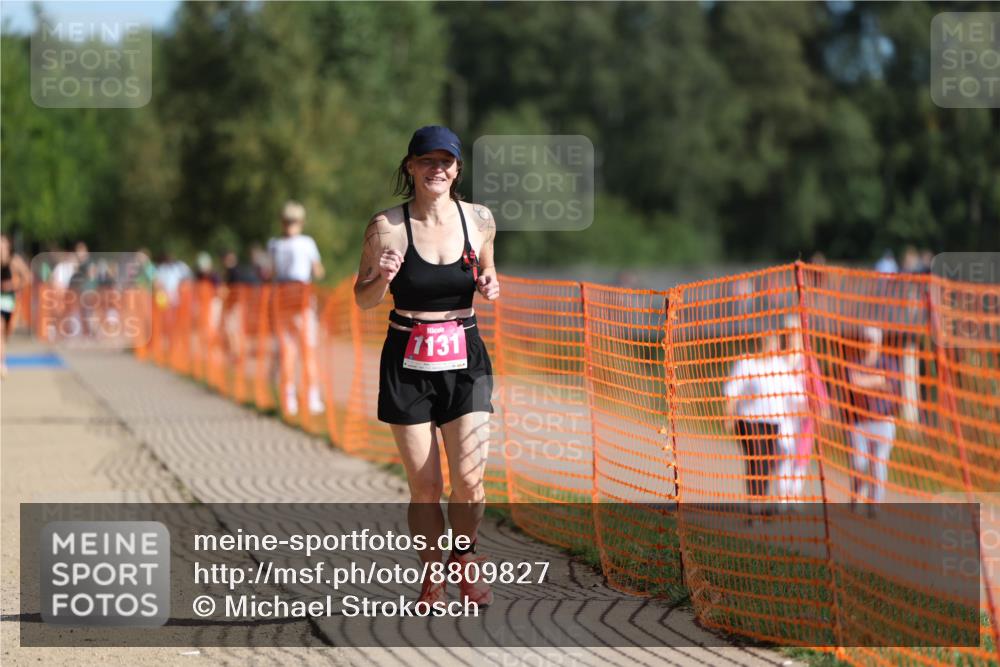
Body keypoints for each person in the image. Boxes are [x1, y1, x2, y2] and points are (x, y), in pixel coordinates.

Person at [353, 125, 500, 607]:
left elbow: (487, 272)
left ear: (457, 169)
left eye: (446, 161)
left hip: (466, 356)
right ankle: (431, 572)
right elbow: (363, 299)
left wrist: (489, 286)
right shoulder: (385, 227)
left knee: (471, 480)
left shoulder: (479, 220)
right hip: (407, 359)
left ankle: (467, 562)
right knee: (426, 485)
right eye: (427, 161)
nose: (437, 169)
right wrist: (383, 277)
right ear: (411, 166)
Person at [724, 331, 801, 520]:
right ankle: (754, 506)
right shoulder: (747, 363)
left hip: (772, 423)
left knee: (765, 463)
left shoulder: (780, 367)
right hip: (748, 421)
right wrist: (729, 414)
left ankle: (759, 502)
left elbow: (797, 394)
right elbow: (732, 390)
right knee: (756, 459)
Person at [267, 200, 325, 415]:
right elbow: (318, 271)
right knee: (307, 351)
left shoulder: (274, 244)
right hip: (301, 300)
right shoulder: (306, 243)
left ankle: (289, 398)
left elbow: (271, 273)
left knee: (287, 351)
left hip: (281, 300)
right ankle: (312, 398)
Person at [845, 326, 900, 515]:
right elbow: (854, 383)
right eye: (866, 341)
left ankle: (873, 505)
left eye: (872, 341)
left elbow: (891, 384)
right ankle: (856, 498)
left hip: (883, 421)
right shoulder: (853, 362)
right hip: (859, 422)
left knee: (878, 464)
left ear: (878, 343)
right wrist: (877, 380)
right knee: (858, 465)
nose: (868, 345)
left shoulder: (889, 363)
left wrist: (868, 381)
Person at [783, 315, 829, 502]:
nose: (791, 338)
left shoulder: (807, 361)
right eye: (788, 334)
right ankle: (783, 496)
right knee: (783, 453)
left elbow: (817, 388)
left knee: (801, 455)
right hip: (782, 415)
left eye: (794, 334)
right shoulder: (779, 357)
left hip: (804, 418)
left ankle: (793, 494)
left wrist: (821, 406)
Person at [1, 234, 31, 376]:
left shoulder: (15, 261)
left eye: (3, 244)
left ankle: (2, 358)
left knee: (5, 334)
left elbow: (28, 277)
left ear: (8, 246)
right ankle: (1, 363)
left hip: (9, 301)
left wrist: (14, 285)